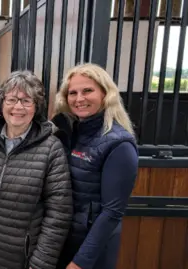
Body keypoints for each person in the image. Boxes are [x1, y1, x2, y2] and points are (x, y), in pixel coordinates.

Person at [0, 70, 73, 269]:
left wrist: (40, 264)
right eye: (11, 99)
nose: (18, 107)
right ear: (1, 104)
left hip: (21, 260)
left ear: (36, 107)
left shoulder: (51, 149)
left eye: (26, 101)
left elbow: (58, 216)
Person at [52, 63, 138, 269]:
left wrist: (80, 262)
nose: (79, 99)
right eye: (73, 93)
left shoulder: (120, 144)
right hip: (65, 240)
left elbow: (112, 212)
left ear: (105, 94)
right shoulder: (71, 132)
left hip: (92, 251)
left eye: (87, 90)